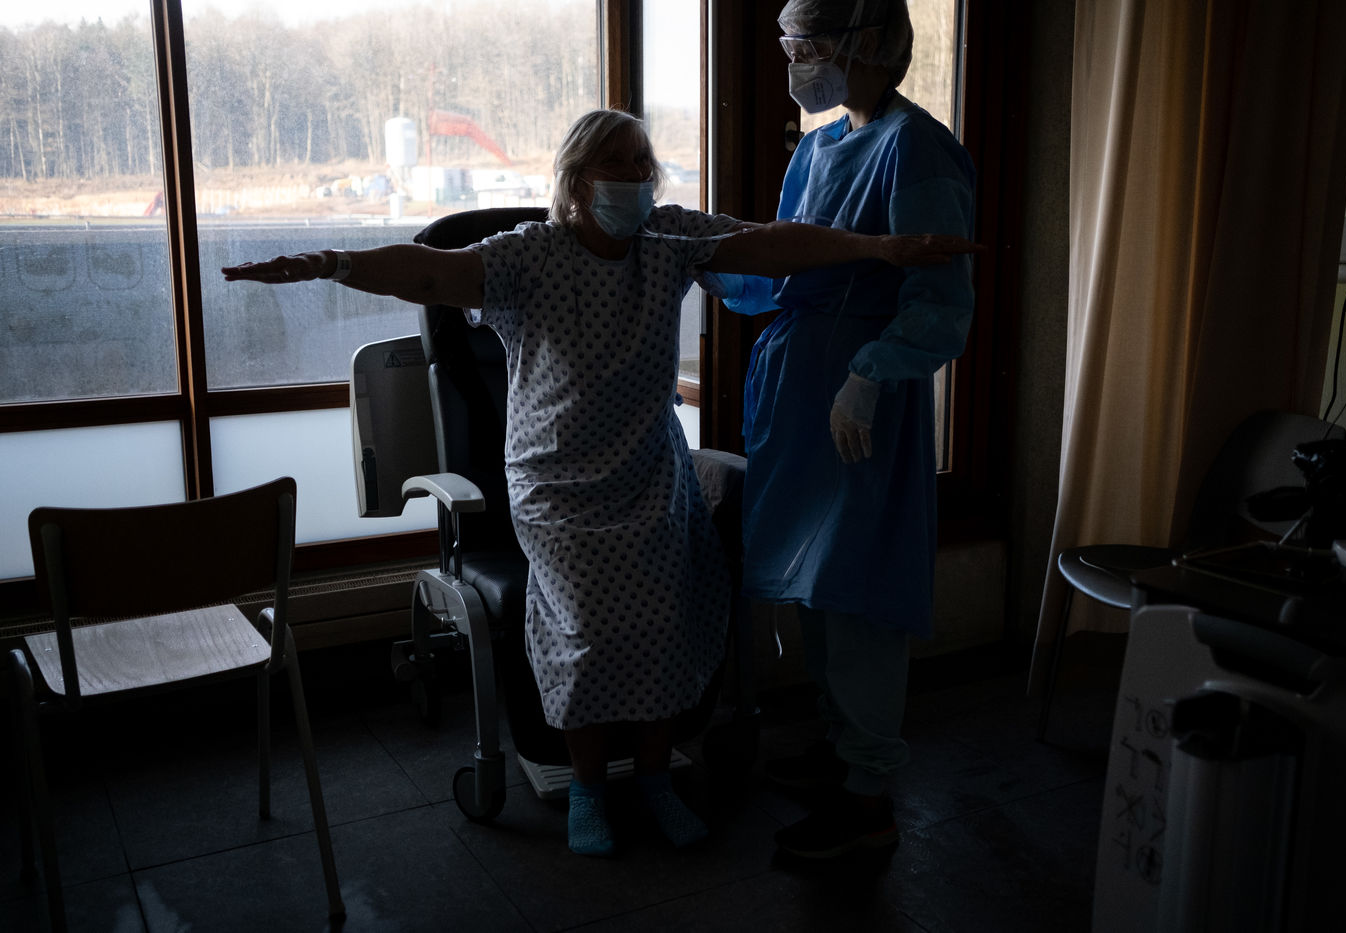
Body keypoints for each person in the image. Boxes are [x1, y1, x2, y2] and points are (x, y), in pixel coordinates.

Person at [223, 107, 977, 858]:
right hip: (558, 486)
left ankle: (653, 778)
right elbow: (431, 271)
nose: (635, 180)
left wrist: (878, 247)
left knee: (664, 626)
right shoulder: (529, 255)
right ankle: (587, 786)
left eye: (644, 166)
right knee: (586, 632)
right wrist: (334, 263)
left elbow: (769, 243)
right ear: (576, 181)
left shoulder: (666, 241)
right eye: (617, 166)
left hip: (650, 473)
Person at [713, 0, 977, 860]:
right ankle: (839, 747)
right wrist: (710, 257)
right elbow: (786, 263)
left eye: (809, 45)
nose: (797, 61)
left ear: (866, 43)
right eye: (791, 46)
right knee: (817, 589)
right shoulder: (820, 147)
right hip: (799, 401)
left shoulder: (916, 148)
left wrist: (870, 375)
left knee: (859, 591)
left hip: (862, 406)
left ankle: (868, 800)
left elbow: (942, 299)